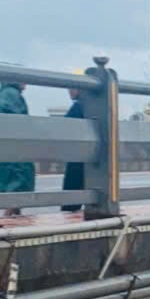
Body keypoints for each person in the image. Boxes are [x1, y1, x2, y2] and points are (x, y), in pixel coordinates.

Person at [0, 81, 35, 216]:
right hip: (15, 151)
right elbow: (18, 120)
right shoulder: (11, 94)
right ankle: (9, 220)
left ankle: (14, 218)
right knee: (16, 187)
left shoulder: (6, 93)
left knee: (15, 189)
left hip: (9, 148)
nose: (26, 84)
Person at [61, 73, 84, 212]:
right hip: (89, 159)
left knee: (70, 203)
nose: (69, 90)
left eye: (72, 87)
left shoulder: (78, 106)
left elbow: (63, 127)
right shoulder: (91, 105)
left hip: (77, 158)